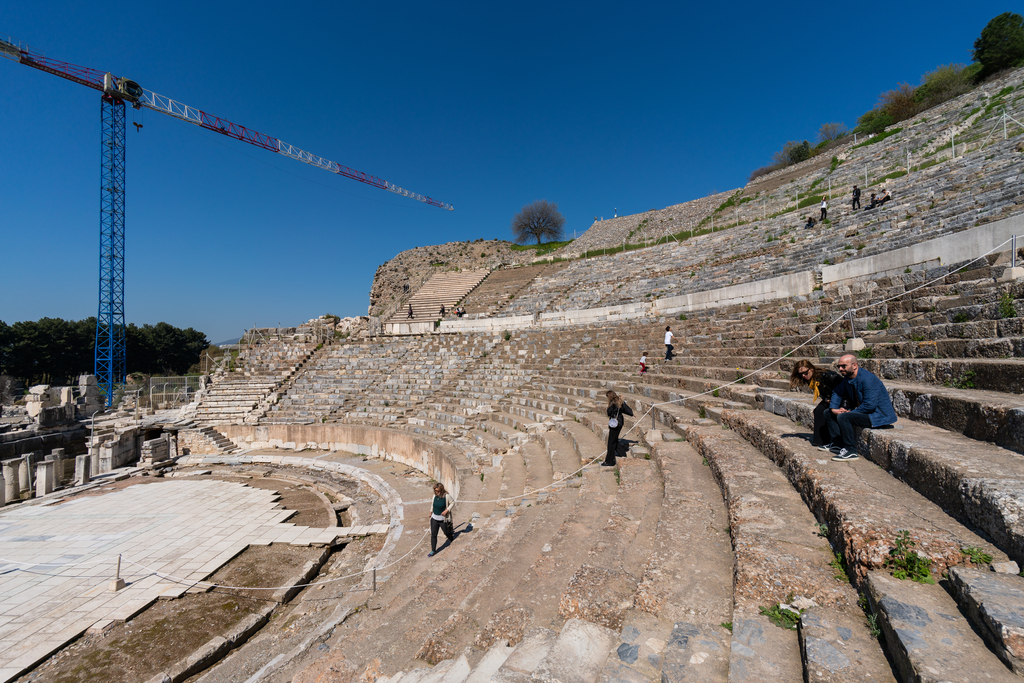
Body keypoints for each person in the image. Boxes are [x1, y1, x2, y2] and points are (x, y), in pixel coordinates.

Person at [824, 354, 897, 462]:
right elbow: (837, 392)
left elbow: (869, 405)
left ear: (854, 365)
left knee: (844, 417)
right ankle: (837, 444)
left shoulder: (868, 379)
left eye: (843, 366)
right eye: (839, 366)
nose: (840, 369)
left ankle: (851, 450)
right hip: (865, 412)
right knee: (828, 412)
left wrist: (851, 412)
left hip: (877, 416)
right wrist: (834, 408)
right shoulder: (847, 379)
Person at [789, 360, 845, 449]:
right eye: (801, 374)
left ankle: (834, 441)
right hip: (830, 399)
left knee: (826, 412)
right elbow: (823, 392)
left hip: (841, 400)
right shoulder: (811, 379)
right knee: (818, 411)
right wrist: (826, 399)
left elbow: (843, 389)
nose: (803, 375)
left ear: (811, 369)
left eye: (805, 373)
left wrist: (839, 403)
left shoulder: (829, 376)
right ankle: (821, 441)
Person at [603, 390, 634, 467]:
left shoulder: (612, 403)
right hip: (620, 422)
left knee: (611, 442)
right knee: (614, 439)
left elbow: (609, 412)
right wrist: (632, 415)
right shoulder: (620, 401)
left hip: (614, 424)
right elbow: (629, 411)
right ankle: (622, 454)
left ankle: (609, 461)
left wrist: (609, 406)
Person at [428, 482, 455, 556]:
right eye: (435, 491)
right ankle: (433, 550)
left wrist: (447, 510)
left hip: (443, 519)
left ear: (442, 490)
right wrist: (431, 512)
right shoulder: (434, 495)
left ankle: (452, 540)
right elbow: (433, 504)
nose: (436, 492)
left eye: (438, 491)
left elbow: (452, 503)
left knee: (446, 532)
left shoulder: (447, 496)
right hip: (434, 518)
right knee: (433, 534)